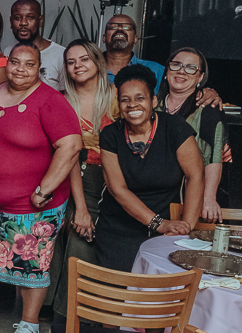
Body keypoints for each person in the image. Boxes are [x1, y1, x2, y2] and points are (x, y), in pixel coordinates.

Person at [0, 43, 81, 333]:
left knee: (33, 265)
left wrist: (45, 188)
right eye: (15, 62)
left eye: (29, 64)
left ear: (39, 69)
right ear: (7, 64)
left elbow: (71, 146)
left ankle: (29, 324)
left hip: (35, 206)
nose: (20, 69)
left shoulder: (50, 101)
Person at [94, 64, 205, 272]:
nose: (132, 105)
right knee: (118, 286)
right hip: (118, 229)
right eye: (125, 100)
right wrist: (158, 223)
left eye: (140, 98)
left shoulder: (175, 129)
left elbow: (195, 176)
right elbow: (117, 189)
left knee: (163, 285)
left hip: (167, 231)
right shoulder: (110, 135)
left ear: (153, 101)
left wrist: (186, 227)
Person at [45, 40, 116, 316]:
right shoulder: (60, 100)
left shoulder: (118, 95)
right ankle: (49, 305)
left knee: (83, 237)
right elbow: (69, 154)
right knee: (59, 233)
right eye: (71, 62)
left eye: (84, 59)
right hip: (67, 173)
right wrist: (81, 207)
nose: (77, 66)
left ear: (98, 61)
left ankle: (73, 311)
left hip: (105, 179)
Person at [158, 47, 227, 220]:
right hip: (155, 195)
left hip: (188, 195)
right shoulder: (153, 105)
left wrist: (208, 197)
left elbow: (214, 156)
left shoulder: (209, 110)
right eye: (176, 64)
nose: (181, 71)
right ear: (167, 70)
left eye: (191, 68)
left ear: (200, 77)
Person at [0, 0, 64, 89]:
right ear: (11, 22)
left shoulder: (61, 55)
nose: (23, 23)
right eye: (17, 18)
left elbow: (66, 95)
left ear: (40, 21)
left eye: (30, 17)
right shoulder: (8, 51)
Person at [102, 13, 165, 84]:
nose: (120, 29)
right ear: (104, 38)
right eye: (113, 27)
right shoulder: (93, 68)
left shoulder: (157, 71)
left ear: (135, 39)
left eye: (127, 27)